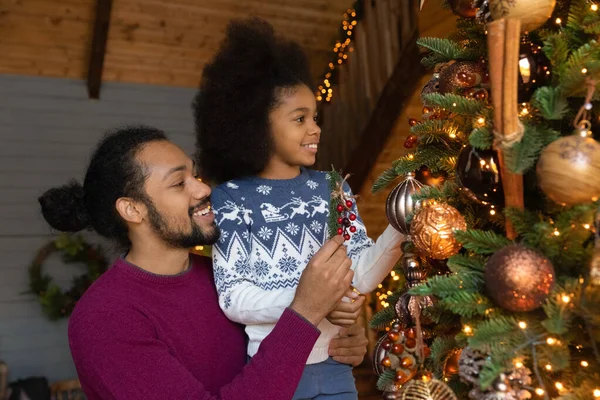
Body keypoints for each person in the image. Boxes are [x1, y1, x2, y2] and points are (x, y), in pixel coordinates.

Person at [38, 125, 369, 400]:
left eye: (195, 174)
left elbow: (272, 353)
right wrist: (305, 313)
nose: (203, 189)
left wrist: (328, 346)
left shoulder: (224, 275)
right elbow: (290, 333)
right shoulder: (104, 319)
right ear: (132, 209)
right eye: (179, 183)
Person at [194, 18, 406, 399]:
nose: (316, 128)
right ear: (257, 125)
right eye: (299, 118)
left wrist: (403, 226)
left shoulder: (332, 187)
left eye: (315, 117)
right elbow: (234, 298)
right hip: (274, 372)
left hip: (339, 370)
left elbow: (359, 269)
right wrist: (312, 301)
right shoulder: (228, 200)